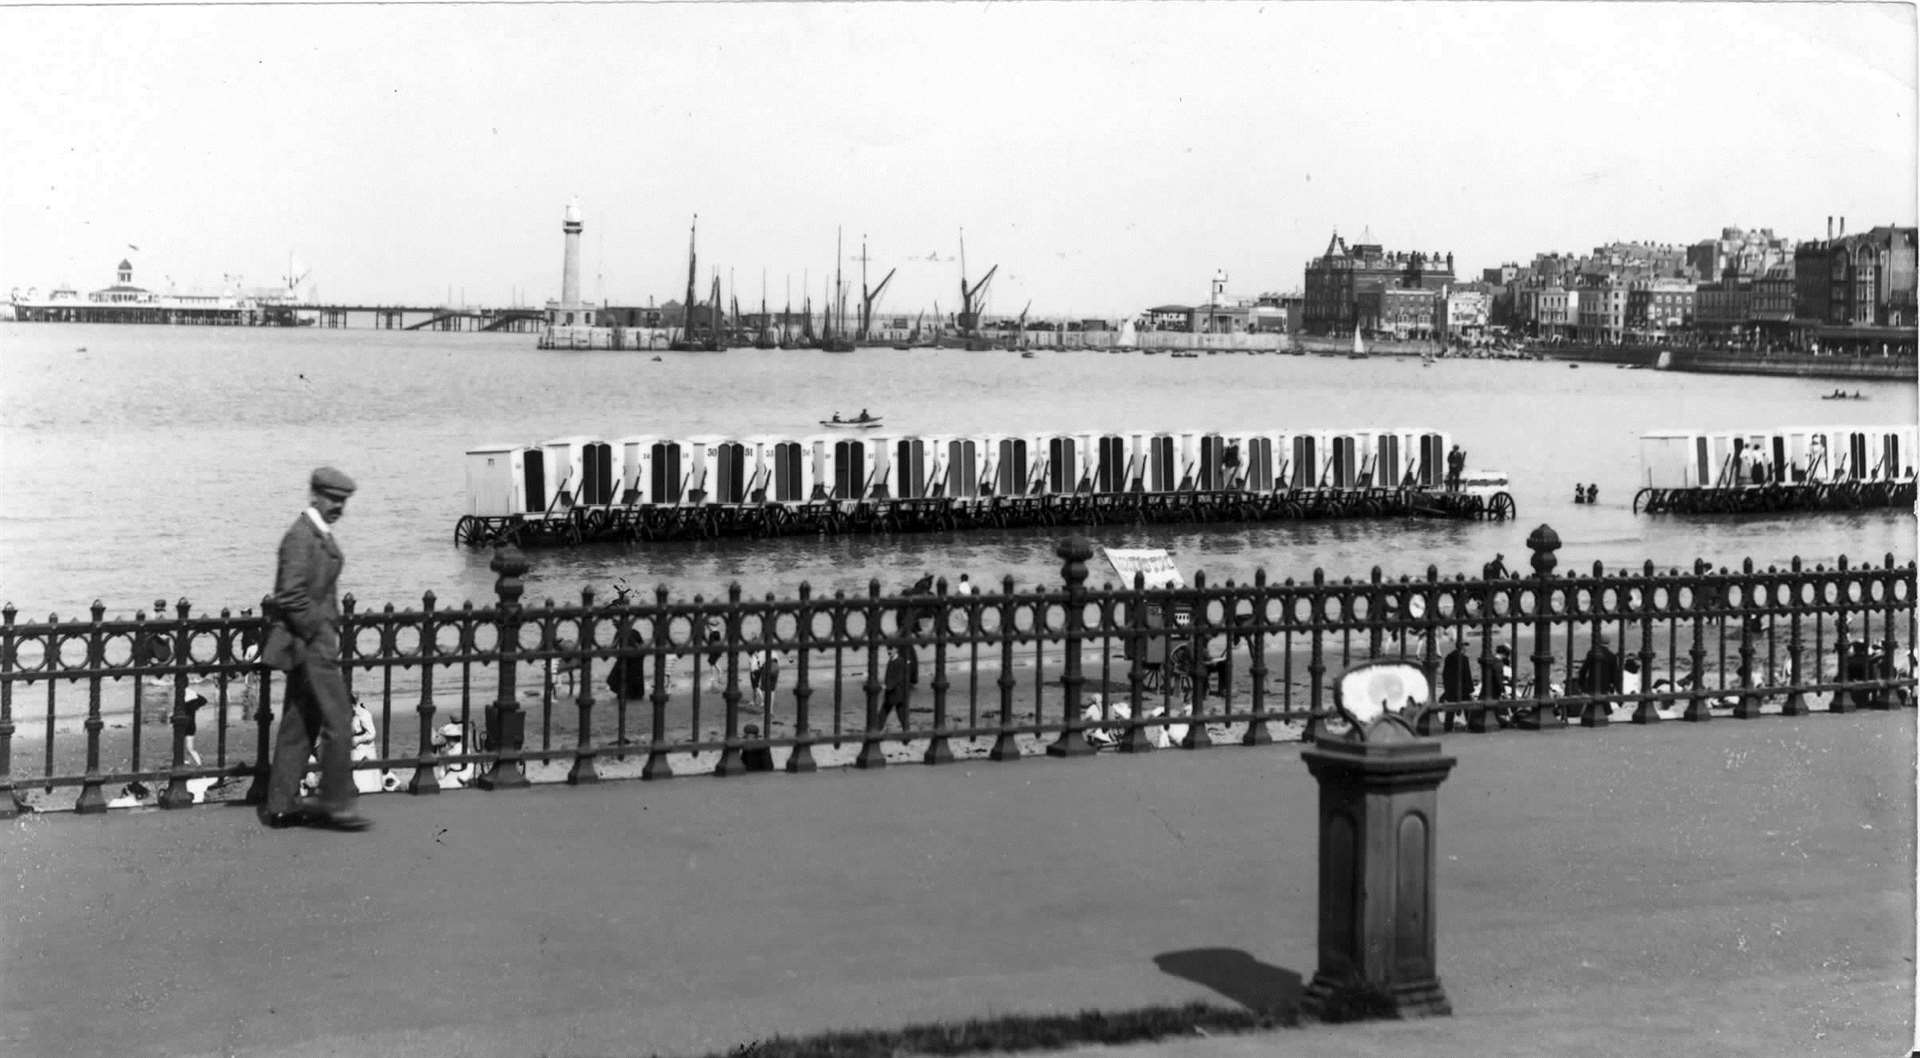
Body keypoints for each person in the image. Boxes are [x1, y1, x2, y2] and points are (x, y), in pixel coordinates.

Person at [260, 466, 371, 831]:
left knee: (299, 723)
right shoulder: (301, 537)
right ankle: (335, 803)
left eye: (343, 501)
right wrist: (321, 630)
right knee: (338, 719)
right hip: (309, 644)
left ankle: (280, 805)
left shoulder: (315, 534)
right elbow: (289, 594)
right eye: (333, 499)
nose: (339, 507)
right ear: (314, 496)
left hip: (309, 641)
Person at [1439, 640, 1475, 733]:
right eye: (1465, 646)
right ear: (1462, 647)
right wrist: (1470, 689)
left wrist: (1447, 688)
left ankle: (1448, 727)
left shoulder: (1449, 657)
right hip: (1463, 688)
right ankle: (1470, 725)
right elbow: (1467, 675)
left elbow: (1445, 674)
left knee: (1451, 709)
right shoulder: (1464, 658)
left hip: (1451, 687)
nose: (1466, 648)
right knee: (1467, 707)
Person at [879, 643, 916, 730]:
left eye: (890, 649)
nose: (888, 651)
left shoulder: (899, 661)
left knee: (886, 713)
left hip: (896, 693)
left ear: (896, 650)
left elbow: (898, 678)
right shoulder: (891, 660)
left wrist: (887, 686)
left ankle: (877, 730)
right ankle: (906, 732)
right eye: (888, 649)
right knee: (894, 714)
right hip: (893, 693)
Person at [606, 627, 649, 701]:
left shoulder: (625, 633)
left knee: (616, 681)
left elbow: (613, 648)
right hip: (631, 662)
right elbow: (642, 647)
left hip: (629, 662)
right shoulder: (633, 632)